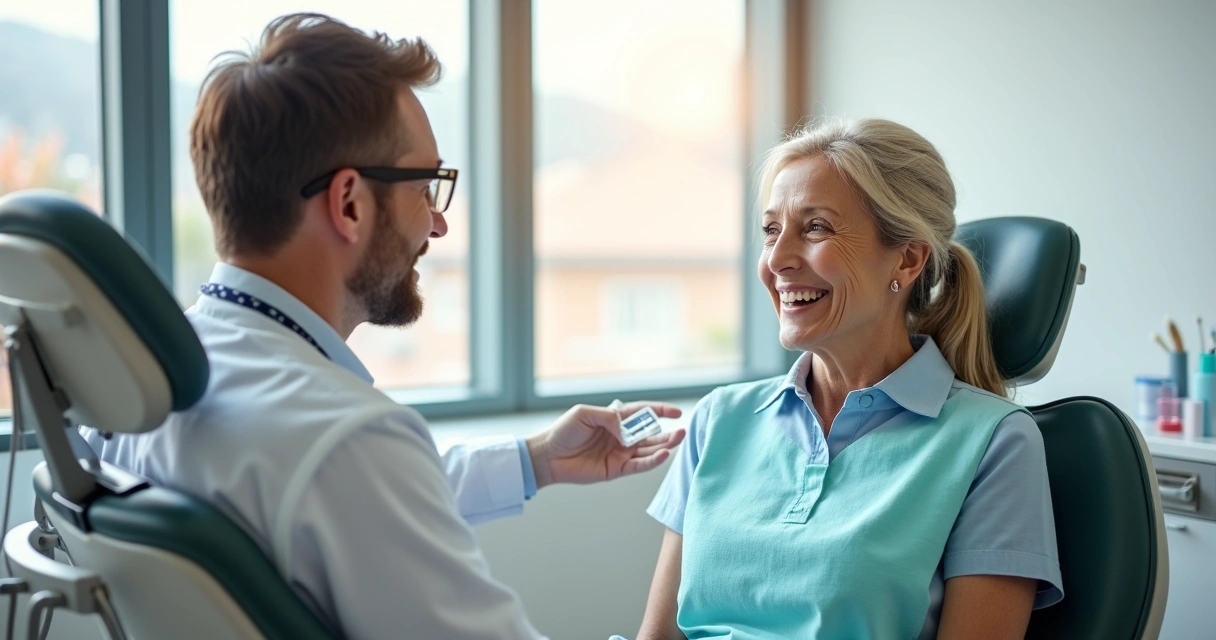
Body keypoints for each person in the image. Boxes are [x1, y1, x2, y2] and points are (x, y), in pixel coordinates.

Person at [81, 13, 685, 640]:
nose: (439, 224)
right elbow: (347, 474)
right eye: (427, 188)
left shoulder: (158, 379)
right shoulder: (344, 435)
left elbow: (336, 507)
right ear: (349, 203)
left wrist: (535, 461)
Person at [634, 118, 1063, 640]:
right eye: (772, 230)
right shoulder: (719, 419)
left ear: (907, 258)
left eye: (815, 228)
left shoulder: (994, 442)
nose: (777, 260)